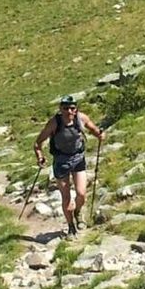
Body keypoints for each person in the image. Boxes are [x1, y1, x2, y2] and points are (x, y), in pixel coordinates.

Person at [33, 95, 104, 236]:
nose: (69, 111)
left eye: (72, 108)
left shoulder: (81, 118)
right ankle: (71, 226)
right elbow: (37, 143)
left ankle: (77, 212)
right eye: (65, 108)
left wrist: (100, 135)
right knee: (66, 197)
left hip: (78, 158)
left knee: (81, 194)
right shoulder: (54, 123)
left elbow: (94, 129)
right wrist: (40, 157)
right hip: (61, 161)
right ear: (60, 109)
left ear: (76, 109)